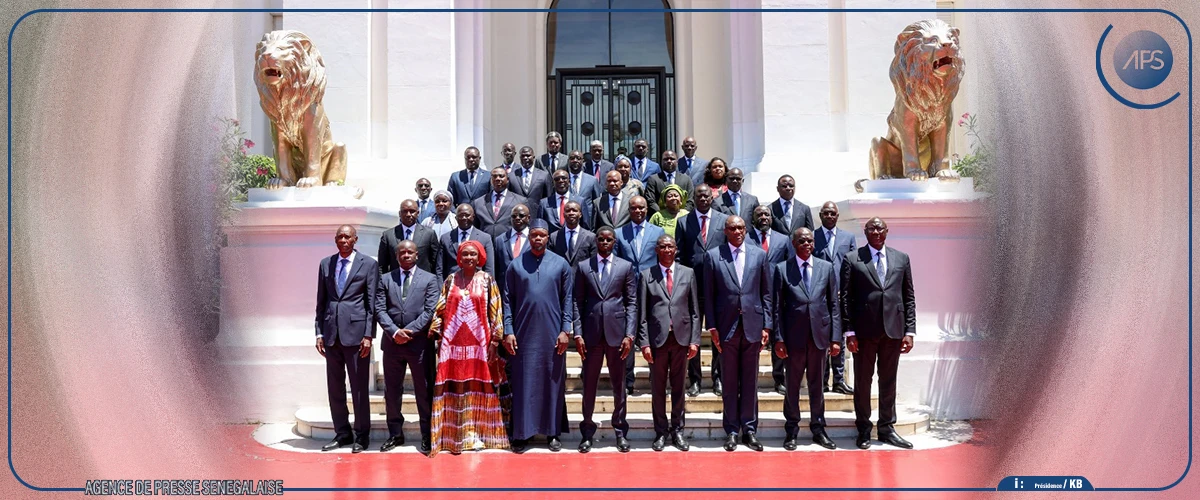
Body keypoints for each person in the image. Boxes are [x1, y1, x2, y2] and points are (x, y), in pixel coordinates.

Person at [426, 240, 511, 455]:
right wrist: (437, 335)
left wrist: (495, 340)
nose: (469, 258)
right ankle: (454, 437)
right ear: (459, 258)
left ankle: (479, 435)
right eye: (465, 254)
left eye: (473, 254)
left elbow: (496, 310)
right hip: (452, 346)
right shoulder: (450, 280)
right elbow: (441, 309)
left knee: (480, 387)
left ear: (480, 257)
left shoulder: (487, 280)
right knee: (455, 388)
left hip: (480, 345)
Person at [842, 217, 916, 450]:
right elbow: (846, 298)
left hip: (893, 331)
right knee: (863, 382)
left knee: (888, 380)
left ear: (887, 231)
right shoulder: (852, 259)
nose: (876, 231)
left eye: (880, 228)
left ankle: (886, 428)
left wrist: (909, 331)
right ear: (865, 232)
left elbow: (908, 297)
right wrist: (849, 332)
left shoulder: (901, 258)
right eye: (871, 228)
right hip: (864, 333)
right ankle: (863, 428)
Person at [503, 220, 575, 453]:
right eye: (534, 235)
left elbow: (568, 299)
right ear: (529, 237)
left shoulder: (561, 264)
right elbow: (507, 301)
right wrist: (508, 330)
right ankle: (521, 433)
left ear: (547, 238)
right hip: (523, 335)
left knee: (552, 383)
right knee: (523, 384)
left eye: (542, 235)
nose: (538, 239)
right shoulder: (515, 265)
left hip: (553, 334)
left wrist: (565, 330)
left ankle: (552, 433)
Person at [702, 216, 772, 452]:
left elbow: (766, 293)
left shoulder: (759, 255)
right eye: (733, 228)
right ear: (725, 231)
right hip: (726, 327)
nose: (738, 231)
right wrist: (712, 327)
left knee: (750, 382)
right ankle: (732, 430)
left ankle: (749, 430)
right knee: (730, 381)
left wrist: (767, 326)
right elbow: (708, 295)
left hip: (753, 325)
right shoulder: (713, 256)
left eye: (741, 227)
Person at [772, 228, 841, 451]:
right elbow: (777, 308)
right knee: (792, 386)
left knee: (817, 385)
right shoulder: (782, 269)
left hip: (819, 337)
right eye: (802, 241)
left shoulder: (826, 267)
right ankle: (791, 429)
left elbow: (834, 305)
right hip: (794, 339)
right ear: (794, 244)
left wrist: (835, 338)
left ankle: (818, 428)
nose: (807, 244)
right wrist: (779, 339)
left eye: (810, 241)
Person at [571, 227, 637, 453]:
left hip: (617, 335)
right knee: (589, 385)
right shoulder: (584, 267)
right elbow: (577, 302)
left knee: (619, 385)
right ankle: (587, 432)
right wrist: (578, 333)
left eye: (609, 239)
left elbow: (631, 302)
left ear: (614, 242)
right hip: (591, 335)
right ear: (596, 241)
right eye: (601, 239)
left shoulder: (625, 267)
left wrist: (629, 335)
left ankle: (620, 431)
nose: (605, 243)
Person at [314, 225, 378, 453]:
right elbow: (321, 301)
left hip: (357, 336)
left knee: (359, 388)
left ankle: (362, 435)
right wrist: (319, 332)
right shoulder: (326, 264)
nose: (343, 240)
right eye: (339, 237)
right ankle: (342, 433)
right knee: (335, 388)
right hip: (331, 335)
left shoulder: (368, 264)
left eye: (347, 237)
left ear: (355, 239)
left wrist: (368, 335)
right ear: (335, 240)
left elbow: (371, 303)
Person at [375, 241, 441, 454]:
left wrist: (409, 331)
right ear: (396, 255)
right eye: (402, 252)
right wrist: (395, 332)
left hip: (419, 344)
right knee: (392, 391)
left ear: (417, 254)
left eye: (410, 252)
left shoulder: (429, 279)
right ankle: (395, 434)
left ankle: (426, 435)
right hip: (392, 343)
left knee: (424, 390)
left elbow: (430, 310)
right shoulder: (385, 279)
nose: (406, 255)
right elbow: (379, 308)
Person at [637, 235, 700, 452]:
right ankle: (661, 432)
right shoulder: (646, 275)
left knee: (679, 388)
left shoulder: (688, 273)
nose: (667, 250)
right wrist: (644, 343)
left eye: (670, 246)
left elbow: (694, 311)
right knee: (658, 388)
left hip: (681, 339)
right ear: (656, 250)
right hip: (657, 341)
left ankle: (678, 431)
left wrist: (695, 340)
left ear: (676, 249)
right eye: (662, 246)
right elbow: (642, 314)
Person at [675, 183, 728, 397]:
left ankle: (718, 378)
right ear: (693, 198)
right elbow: (679, 255)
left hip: (718, 287)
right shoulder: (683, 222)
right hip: (693, 287)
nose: (703, 199)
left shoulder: (723, 220)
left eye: (707, 196)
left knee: (718, 335)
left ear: (712, 198)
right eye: (699, 196)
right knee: (693, 335)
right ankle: (695, 380)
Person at [614, 195, 664, 396]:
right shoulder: (619, 233)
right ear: (629, 210)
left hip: (652, 290)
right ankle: (628, 380)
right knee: (628, 336)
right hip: (627, 292)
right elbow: (616, 263)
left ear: (646, 209)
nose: (638, 211)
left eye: (641, 208)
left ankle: (656, 377)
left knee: (654, 335)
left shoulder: (657, 232)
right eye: (634, 208)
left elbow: (662, 260)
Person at [747, 204, 795, 394]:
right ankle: (749, 379)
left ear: (771, 217)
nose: (763, 217)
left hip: (777, 295)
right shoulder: (746, 238)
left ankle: (779, 378)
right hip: (752, 295)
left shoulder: (783, 239)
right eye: (759, 214)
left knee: (778, 338)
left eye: (767, 214)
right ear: (753, 219)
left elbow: (790, 265)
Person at [813, 201, 856, 395]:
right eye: (826, 213)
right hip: (819, 297)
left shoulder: (848, 237)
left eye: (833, 213)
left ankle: (839, 380)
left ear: (837, 216)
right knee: (822, 338)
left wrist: (847, 290)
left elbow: (853, 265)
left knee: (839, 337)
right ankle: (822, 380)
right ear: (820, 215)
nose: (830, 216)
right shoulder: (812, 236)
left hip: (841, 295)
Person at [379, 200, 441, 277]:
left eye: (412, 211)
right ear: (399, 213)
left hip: (422, 281)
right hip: (396, 281)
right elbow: (382, 265)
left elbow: (436, 263)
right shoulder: (388, 235)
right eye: (405, 211)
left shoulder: (429, 234)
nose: (408, 214)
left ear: (418, 213)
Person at [438, 204, 496, 279]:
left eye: (467, 215)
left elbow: (489, 268)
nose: (464, 218)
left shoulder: (485, 238)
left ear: (473, 217)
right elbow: (439, 268)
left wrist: (487, 284)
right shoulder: (445, 238)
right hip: (452, 282)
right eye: (461, 215)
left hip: (477, 282)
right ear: (456, 218)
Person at [472, 167, 528, 239]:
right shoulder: (478, 203)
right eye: (494, 176)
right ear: (491, 180)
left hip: (508, 242)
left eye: (501, 176)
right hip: (485, 243)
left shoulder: (520, 201)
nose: (497, 179)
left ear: (507, 179)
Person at [492, 204, 532, 296]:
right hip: (505, 291)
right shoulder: (500, 240)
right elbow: (496, 267)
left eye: (521, 216)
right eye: (514, 216)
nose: (517, 218)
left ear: (528, 218)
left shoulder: (534, 239)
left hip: (528, 289)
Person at [540, 168, 593, 233]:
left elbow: (586, 226)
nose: (561, 181)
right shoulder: (544, 203)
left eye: (564, 178)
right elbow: (540, 227)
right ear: (553, 183)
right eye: (557, 179)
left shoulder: (580, 201)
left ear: (569, 182)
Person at [644, 150, 695, 216]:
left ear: (677, 162)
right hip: (661, 218)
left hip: (682, 218)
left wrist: (681, 215)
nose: (669, 161)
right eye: (666, 159)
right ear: (661, 162)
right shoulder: (653, 179)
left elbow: (690, 201)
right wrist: (663, 215)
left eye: (672, 159)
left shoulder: (686, 179)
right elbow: (650, 201)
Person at [550, 201, 597, 267]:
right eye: (568, 211)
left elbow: (593, 262)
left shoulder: (590, 237)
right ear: (563, 214)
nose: (571, 213)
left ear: (580, 214)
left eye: (574, 210)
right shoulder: (554, 237)